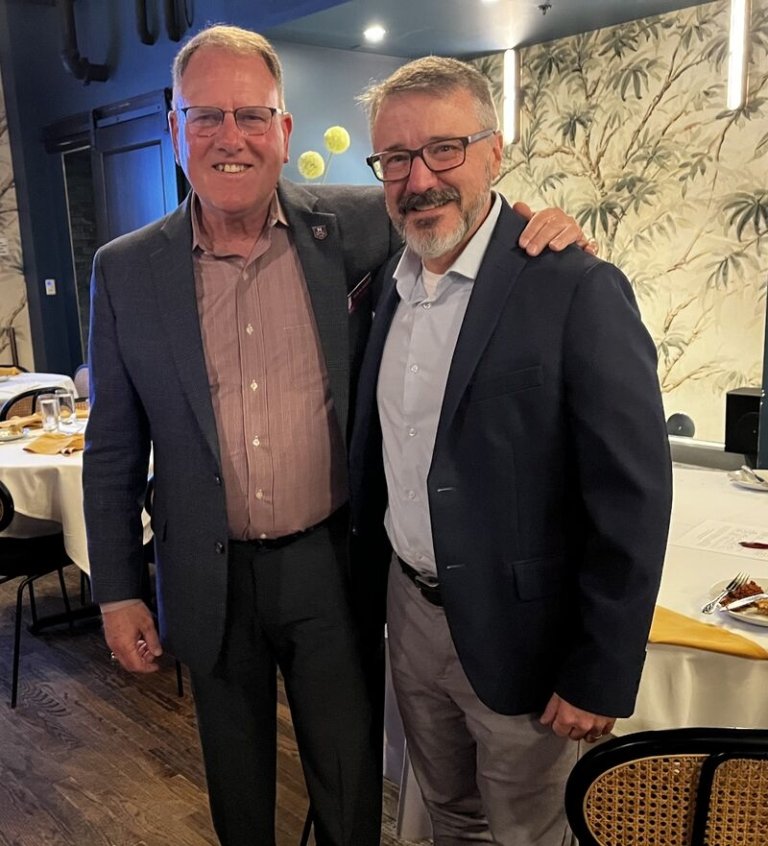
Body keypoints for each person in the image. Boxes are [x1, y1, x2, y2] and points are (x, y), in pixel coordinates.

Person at [82, 24, 590, 846]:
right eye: (203, 116)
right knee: (238, 788)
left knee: (350, 781)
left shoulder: (357, 226)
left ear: (283, 132)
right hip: (207, 574)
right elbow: (111, 446)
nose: (229, 137)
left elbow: (457, 216)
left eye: (252, 115)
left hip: (332, 565)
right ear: (174, 130)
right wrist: (116, 588)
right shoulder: (126, 270)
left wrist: (539, 226)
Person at [350, 56, 673, 846]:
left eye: (445, 149)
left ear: (496, 152)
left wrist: (599, 670)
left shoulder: (574, 287)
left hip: (525, 633)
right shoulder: (379, 287)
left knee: (531, 834)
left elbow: (632, 496)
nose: (418, 177)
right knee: (450, 817)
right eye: (395, 157)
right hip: (412, 615)